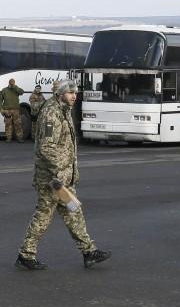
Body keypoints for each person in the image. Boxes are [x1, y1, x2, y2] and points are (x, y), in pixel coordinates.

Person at [15, 80, 110, 270]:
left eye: (75, 92)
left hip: (63, 178)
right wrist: (59, 172)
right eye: (70, 93)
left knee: (74, 212)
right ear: (60, 94)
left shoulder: (64, 109)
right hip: (52, 179)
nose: (74, 96)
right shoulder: (51, 113)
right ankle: (26, 254)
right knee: (44, 214)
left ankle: (89, 252)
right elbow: (46, 147)